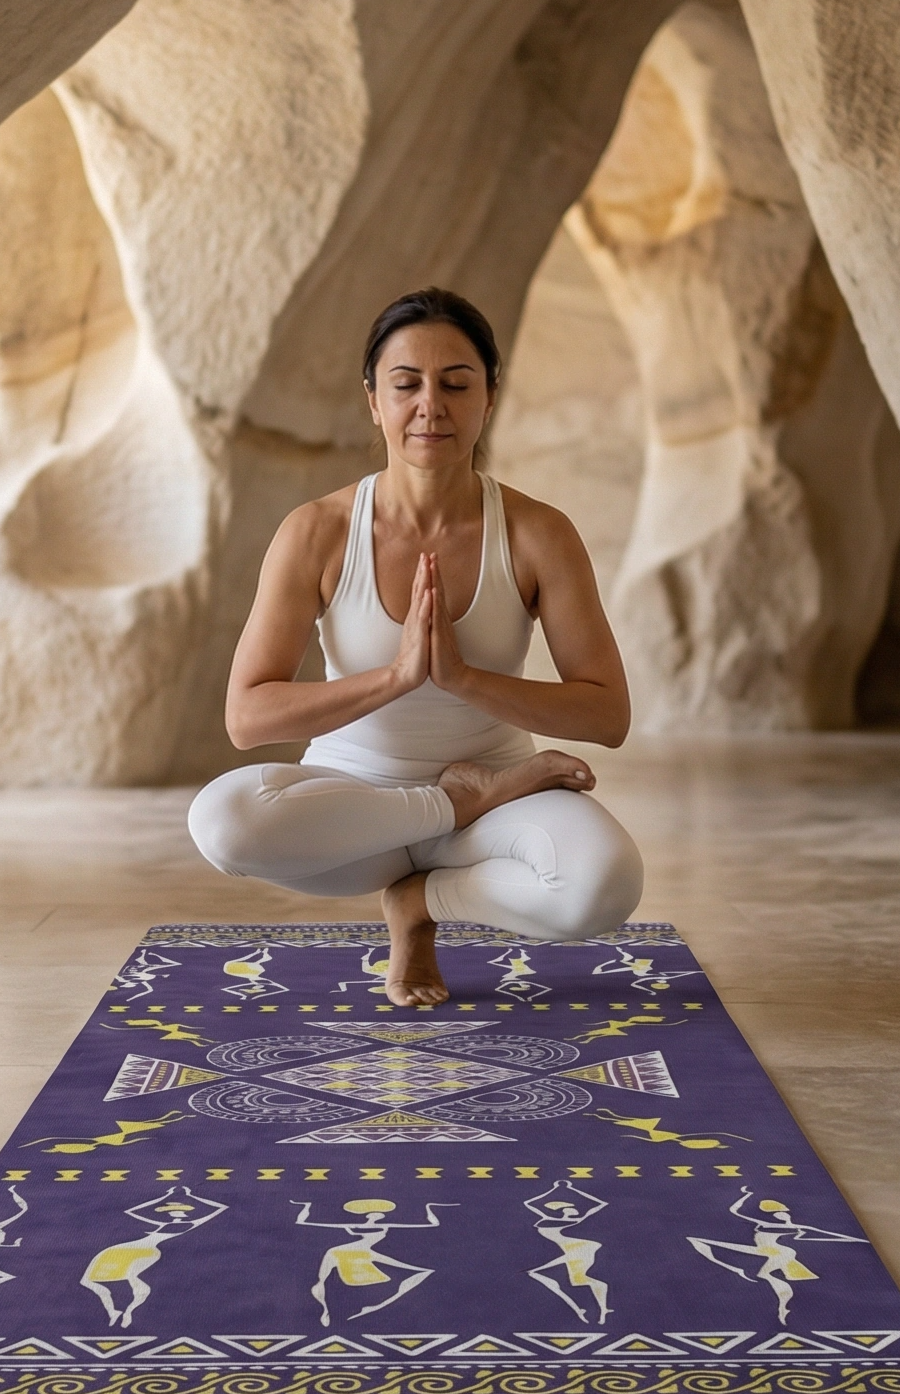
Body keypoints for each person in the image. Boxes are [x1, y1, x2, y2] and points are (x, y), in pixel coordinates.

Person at [187, 288, 644, 1006]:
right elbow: (248, 717)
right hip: (356, 811)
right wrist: (395, 678)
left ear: (489, 397)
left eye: (457, 384)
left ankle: (421, 902)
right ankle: (443, 813)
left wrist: (462, 678)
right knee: (223, 821)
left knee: (605, 884)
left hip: (496, 799)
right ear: (374, 400)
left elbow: (606, 714)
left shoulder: (536, 534)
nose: (431, 405)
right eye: (407, 385)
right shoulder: (318, 531)